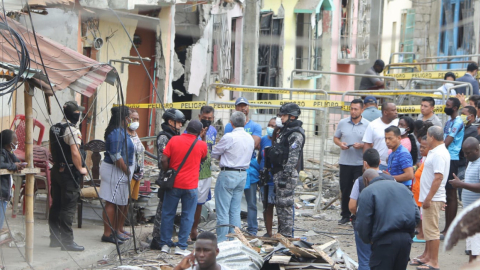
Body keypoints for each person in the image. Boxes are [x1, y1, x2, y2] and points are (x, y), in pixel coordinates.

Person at [159, 120, 208, 255]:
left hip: (173, 184)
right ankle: (181, 246)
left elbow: (163, 159)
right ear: (198, 132)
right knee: (188, 216)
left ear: (186, 128)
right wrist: (202, 138)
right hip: (191, 186)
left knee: (168, 214)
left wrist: (168, 170)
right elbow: (203, 159)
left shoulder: (174, 140)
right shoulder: (201, 145)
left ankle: (165, 244)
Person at [356, 169, 419, 270]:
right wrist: (409, 234)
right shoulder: (403, 188)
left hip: (384, 241)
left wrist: (368, 239)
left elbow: (363, 221)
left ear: (366, 180)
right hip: (405, 240)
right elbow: (416, 215)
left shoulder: (368, 191)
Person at [49, 101, 87, 251]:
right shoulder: (72, 131)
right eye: (79, 113)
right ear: (75, 114)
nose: (80, 115)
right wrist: (81, 168)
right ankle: (67, 242)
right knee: (68, 207)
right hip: (69, 173)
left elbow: (53, 149)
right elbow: (75, 152)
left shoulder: (55, 127)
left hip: (57, 170)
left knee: (56, 206)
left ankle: (55, 239)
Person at [211, 112, 255, 242]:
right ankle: (235, 240)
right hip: (242, 174)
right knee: (235, 210)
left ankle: (222, 241)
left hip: (228, 173)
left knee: (223, 210)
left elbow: (214, 153)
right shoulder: (250, 138)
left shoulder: (229, 136)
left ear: (231, 123)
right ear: (245, 122)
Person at [348, 149, 394, 270]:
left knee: (365, 259)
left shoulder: (360, 181)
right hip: (386, 224)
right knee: (384, 259)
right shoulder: (391, 179)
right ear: (379, 162)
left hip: (365, 224)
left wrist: (360, 215)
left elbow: (352, 206)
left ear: (365, 163)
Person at [412, 126, 450, 270]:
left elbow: (438, 178)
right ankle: (427, 257)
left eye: (427, 136)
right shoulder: (435, 152)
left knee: (432, 231)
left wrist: (428, 198)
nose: (426, 139)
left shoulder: (439, 153)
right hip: (430, 197)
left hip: (433, 198)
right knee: (428, 229)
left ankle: (434, 262)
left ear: (432, 137)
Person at [224, 97, 262, 235]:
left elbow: (255, 144)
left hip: (250, 169)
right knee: (232, 202)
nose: (243, 108)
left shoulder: (256, 126)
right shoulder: (229, 126)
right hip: (233, 169)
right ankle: (232, 229)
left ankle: (252, 229)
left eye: (245, 105)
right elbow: (227, 146)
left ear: (249, 108)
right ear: (235, 109)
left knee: (251, 202)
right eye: (240, 106)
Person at [99, 106, 134, 245]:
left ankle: (117, 230)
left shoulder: (121, 131)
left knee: (121, 201)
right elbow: (115, 155)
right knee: (111, 201)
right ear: (124, 118)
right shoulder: (115, 133)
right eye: (129, 117)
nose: (130, 120)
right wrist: (126, 169)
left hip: (122, 170)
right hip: (115, 169)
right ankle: (108, 233)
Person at [151, 108, 186, 250]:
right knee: (163, 209)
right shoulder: (164, 136)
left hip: (176, 177)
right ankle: (157, 238)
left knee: (169, 208)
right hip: (167, 177)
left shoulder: (175, 136)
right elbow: (163, 159)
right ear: (170, 122)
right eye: (178, 123)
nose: (180, 126)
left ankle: (163, 237)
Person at [269, 103, 305, 237]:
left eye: (283, 115)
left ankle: (287, 236)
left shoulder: (295, 134)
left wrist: (285, 176)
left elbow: (293, 158)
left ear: (292, 117)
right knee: (280, 206)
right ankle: (282, 234)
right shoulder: (285, 131)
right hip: (280, 172)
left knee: (286, 206)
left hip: (287, 175)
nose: (281, 118)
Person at [333, 99, 369, 225]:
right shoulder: (343, 123)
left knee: (359, 190)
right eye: (351, 109)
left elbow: (370, 143)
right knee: (345, 189)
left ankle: (356, 216)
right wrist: (340, 143)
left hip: (360, 163)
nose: (353, 111)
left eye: (356, 109)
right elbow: (336, 138)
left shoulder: (367, 125)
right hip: (345, 162)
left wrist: (362, 145)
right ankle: (345, 215)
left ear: (362, 110)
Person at [449, 137, 480, 263]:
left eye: (468, 153)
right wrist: (461, 182)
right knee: (472, 248)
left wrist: (461, 185)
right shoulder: (472, 161)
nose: (466, 156)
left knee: (477, 249)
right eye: (464, 153)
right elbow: (473, 181)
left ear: (477, 149)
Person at [190, 106, 217, 241]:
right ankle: (187, 230)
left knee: (200, 203)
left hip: (206, 172)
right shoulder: (192, 129)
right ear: (199, 116)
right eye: (204, 118)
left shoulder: (213, 131)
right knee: (190, 202)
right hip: (193, 172)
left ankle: (194, 229)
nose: (207, 121)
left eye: (209, 119)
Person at [443, 97, 464, 235]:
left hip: (452, 158)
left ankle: (450, 229)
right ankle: (447, 228)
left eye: (448, 105)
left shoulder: (458, 122)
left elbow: (448, 141)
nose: (446, 107)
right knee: (447, 193)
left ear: (455, 107)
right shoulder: (449, 121)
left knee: (451, 193)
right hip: (446, 157)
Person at [124, 109, 144, 238]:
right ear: (127, 119)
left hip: (137, 172)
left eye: (137, 119)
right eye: (133, 119)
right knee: (124, 200)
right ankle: (119, 226)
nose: (135, 122)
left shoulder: (135, 134)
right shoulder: (124, 135)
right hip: (128, 172)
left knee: (130, 200)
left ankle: (123, 225)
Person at [363, 102, 399, 170]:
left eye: (396, 110)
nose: (396, 112)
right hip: (379, 165)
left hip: (396, 164)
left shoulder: (399, 123)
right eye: (393, 110)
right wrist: (365, 164)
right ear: (385, 112)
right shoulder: (373, 125)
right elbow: (367, 145)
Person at [0, 130, 24, 231]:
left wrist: (19, 164)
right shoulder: (1, 152)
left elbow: (17, 161)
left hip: (4, 194)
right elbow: (1, 165)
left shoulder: (8, 152)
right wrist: (14, 166)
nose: (17, 142)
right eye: (16, 140)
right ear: (10, 143)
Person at [258, 118, 276, 237]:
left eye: (273, 126)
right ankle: (269, 232)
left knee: (278, 206)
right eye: (269, 125)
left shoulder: (281, 141)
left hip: (276, 180)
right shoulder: (264, 140)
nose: (270, 128)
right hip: (265, 179)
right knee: (267, 206)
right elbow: (260, 156)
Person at [412, 137, 430, 243]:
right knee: (420, 213)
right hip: (418, 191)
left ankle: (423, 235)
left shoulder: (429, 160)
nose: (421, 149)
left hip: (423, 192)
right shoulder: (424, 159)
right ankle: (420, 232)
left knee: (423, 214)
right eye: (421, 146)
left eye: (424, 147)